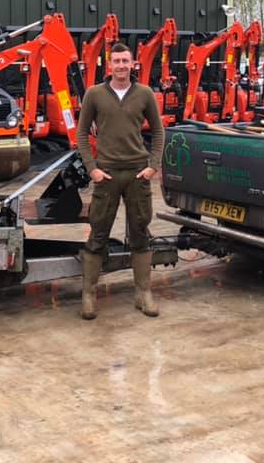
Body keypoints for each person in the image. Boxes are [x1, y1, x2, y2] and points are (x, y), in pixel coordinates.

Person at [75, 42, 165, 320]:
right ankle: (88, 294)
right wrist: (92, 169)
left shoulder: (145, 94)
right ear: (109, 65)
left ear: (133, 64)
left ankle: (143, 293)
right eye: (117, 61)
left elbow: (159, 132)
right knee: (98, 232)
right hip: (107, 175)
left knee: (140, 232)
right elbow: (80, 134)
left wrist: (152, 166)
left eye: (126, 61)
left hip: (137, 175)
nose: (122, 66)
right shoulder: (94, 94)